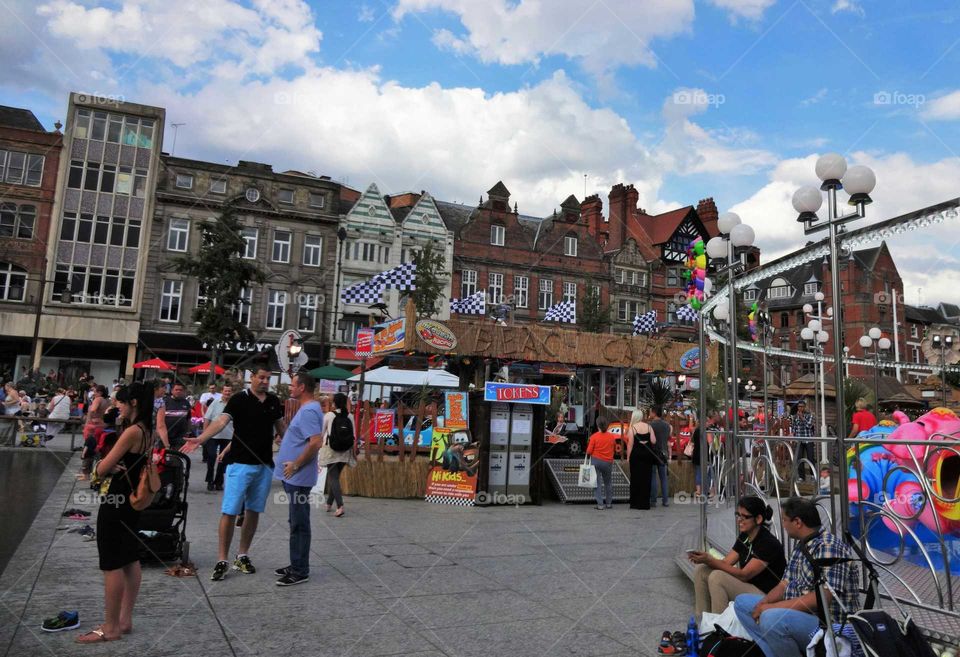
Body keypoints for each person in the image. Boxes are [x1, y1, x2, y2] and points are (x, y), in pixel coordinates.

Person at [184, 365, 285, 581]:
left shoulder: (274, 401)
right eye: (261, 377)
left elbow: (281, 428)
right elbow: (221, 421)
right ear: (252, 379)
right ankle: (222, 559)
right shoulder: (239, 399)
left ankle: (242, 555)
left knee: (253, 511)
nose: (265, 381)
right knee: (229, 511)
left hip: (265, 465)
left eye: (268, 378)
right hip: (239, 463)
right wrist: (202, 438)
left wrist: (295, 451)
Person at [75, 382, 153, 644]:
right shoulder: (147, 430)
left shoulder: (131, 431)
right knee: (130, 558)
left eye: (121, 401)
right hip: (131, 503)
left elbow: (102, 469)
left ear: (133, 403)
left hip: (116, 501)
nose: (116, 405)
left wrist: (102, 464)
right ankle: (124, 620)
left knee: (111, 564)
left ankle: (110, 627)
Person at [734, 497, 859, 657]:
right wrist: (763, 603)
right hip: (800, 614)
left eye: (785, 520)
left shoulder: (828, 547)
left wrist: (771, 608)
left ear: (798, 522)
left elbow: (822, 598)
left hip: (829, 624)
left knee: (771, 618)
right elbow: (784, 584)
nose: (783, 525)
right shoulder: (802, 545)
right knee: (742, 604)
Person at [689, 496, 786, 619]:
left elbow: (744, 575)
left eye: (744, 517)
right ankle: (703, 621)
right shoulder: (745, 536)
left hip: (766, 594)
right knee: (702, 570)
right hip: (748, 586)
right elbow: (726, 562)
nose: (739, 520)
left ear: (758, 519)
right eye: (738, 515)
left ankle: (720, 629)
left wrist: (710, 560)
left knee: (718, 577)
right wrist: (705, 560)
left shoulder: (768, 543)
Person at [274, 373, 325, 586]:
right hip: (294, 476)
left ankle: (300, 570)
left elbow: (315, 443)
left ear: (302, 387)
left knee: (299, 523)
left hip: (298, 477)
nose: (289, 388)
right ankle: (297, 562)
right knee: (295, 521)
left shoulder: (310, 410)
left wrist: (295, 464)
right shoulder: (307, 409)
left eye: (292, 385)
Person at [317, 392, 356, 517]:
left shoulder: (329, 415)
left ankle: (340, 506)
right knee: (335, 478)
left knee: (332, 478)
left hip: (331, 450)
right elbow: (353, 435)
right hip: (345, 451)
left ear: (334, 403)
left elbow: (322, 433)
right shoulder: (350, 416)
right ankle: (329, 504)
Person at [202, 384, 234, 491]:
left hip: (228, 436)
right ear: (222, 391)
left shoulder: (234, 404)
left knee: (223, 460)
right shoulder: (215, 403)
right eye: (226, 391)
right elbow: (207, 418)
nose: (227, 393)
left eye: (229, 391)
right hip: (213, 435)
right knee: (211, 457)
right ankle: (209, 481)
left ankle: (219, 482)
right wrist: (204, 434)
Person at [625, 409, 657, 510]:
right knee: (646, 479)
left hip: (636, 456)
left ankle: (635, 503)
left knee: (635, 479)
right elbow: (653, 441)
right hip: (648, 456)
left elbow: (630, 445)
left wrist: (628, 457)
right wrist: (645, 442)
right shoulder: (649, 427)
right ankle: (645, 503)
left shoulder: (632, 428)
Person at [586, 418, 617, 509]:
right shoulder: (611, 437)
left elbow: (589, 451)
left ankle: (600, 504)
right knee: (608, 483)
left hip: (596, 462)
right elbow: (614, 448)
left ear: (598, 426)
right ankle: (609, 503)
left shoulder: (594, 437)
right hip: (608, 463)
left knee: (597, 483)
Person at [647, 406, 671, 507]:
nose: (649, 414)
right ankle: (665, 500)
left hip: (653, 453)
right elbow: (667, 439)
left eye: (650, 412)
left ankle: (653, 500)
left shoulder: (650, 425)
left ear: (654, 412)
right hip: (663, 453)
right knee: (663, 478)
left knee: (653, 477)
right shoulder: (667, 426)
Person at [156, 382, 191, 450]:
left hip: (180, 437)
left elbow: (188, 419)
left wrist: (188, 432)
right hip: (165, 436)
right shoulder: (164, 401)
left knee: (177, 457)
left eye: (180, 390)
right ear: (172, 391)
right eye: (176, 389)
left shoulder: (186, 403)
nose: (178, 391)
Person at [790, 400, 816, 481]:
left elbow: (809, 425)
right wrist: (792, 434)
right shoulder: (795, 416)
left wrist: (802, 417)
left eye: (802, 406)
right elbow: (794, 427)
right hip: (799, 440)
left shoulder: (810, 415)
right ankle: (801, 476)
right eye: (799, 407)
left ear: (805, 407)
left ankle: (812, 475)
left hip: (808, 439)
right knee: (799, 458)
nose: (800, 408)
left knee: (810, 458)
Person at [83, 385, 109, 450]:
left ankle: (88, 458)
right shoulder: (107, 400)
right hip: (102, 424)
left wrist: (87, 417)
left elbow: (93, 410)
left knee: (89, 445)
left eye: (95, 392)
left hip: (93, 425)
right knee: (97, 445)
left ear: (100, 392)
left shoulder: (98, 399)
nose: (94, 393)